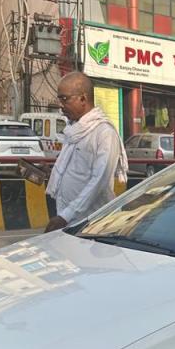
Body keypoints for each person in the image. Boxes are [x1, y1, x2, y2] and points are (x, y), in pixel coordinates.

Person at [44, 72, 128, 233]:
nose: (60, 105)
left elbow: (100, 180)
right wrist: (51, 172)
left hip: (92, 224)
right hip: (67, 219)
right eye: (59, 99)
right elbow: (75, 170)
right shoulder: (73, 130)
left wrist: (66, 216)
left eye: (64, 99)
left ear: (83, 98)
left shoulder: (104, 132)